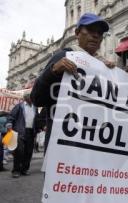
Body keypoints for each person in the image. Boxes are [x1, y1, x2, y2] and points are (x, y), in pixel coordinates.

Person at [30, 13, 113, 153]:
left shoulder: (106, 68)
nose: (95, 35)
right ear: (77, 33)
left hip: (95, 147)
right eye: (90, 30)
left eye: (99, 33)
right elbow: (36, 98)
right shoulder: (63, 57)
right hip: (63, 148)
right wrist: (54, 71)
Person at [7, 94, 38, 178]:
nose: (31, 99)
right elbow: (11, 116)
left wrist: (38, 128)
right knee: (19, 151)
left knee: (28, 152)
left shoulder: (35, 108)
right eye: (30, 97)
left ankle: (24, 169)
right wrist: (9, 124)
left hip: (31, 132)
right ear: (26, 99)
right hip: (20, 131)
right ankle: (16, 170)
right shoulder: (19, 106)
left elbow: (36, 119)